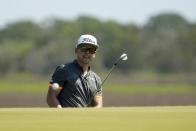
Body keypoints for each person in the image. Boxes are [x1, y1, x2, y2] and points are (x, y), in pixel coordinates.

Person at [46, 34, 103, 108]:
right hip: (66, 118)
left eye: (91, 50)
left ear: (94, 53)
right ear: (76, 50)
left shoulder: (96, 79)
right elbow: (51, 97)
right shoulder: (63, 70)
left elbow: (98, 104)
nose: (87, 52)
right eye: (84, 48)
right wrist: (61, 114)